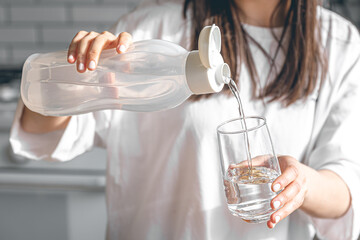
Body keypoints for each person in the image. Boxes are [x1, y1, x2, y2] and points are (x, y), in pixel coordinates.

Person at [10, 0, 360, 239]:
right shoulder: (151, 27)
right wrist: (75, 82)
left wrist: (303, 183)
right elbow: (42, 135)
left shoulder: (340, 43)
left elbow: (346, 185)